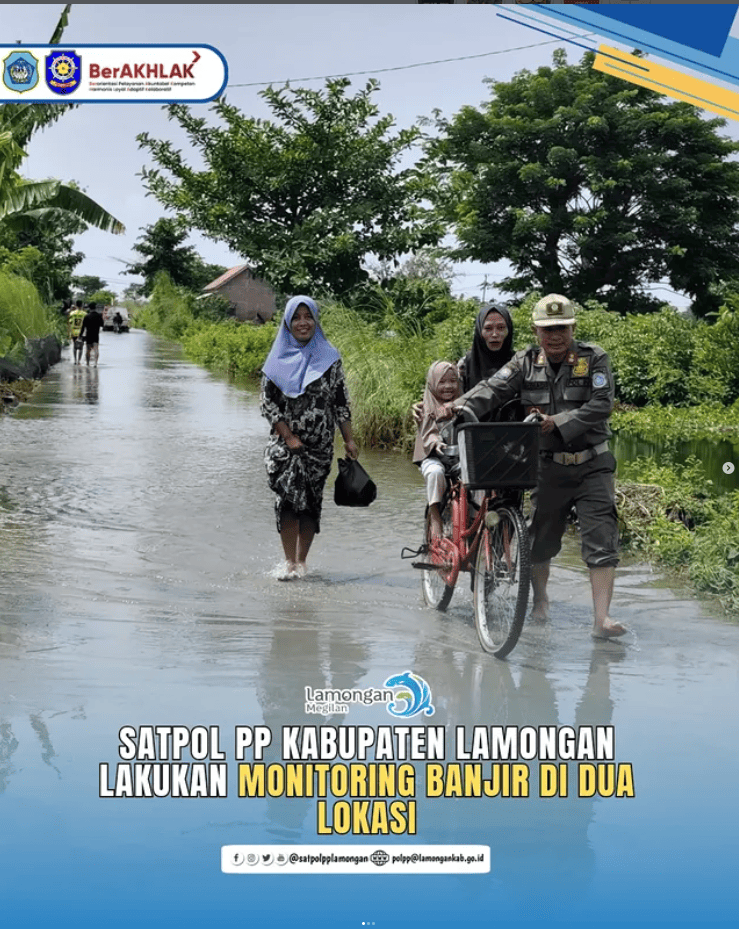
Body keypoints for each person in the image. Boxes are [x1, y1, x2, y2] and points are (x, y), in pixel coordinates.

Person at [448, 293, 626, 640]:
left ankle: (601, 619)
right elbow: (493, 388)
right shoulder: (524, 362)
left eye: (561, 328)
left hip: (594, 464)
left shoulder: (593, 359)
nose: (555, 336)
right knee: (541, 540)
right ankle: (540, 602)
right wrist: (455, 405)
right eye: (547, 330)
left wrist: (557, 421)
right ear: (535, 331)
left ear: (572, 327)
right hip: (546, 467)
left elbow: (602, 404)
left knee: (602, 539)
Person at [260, 295, 359, 581]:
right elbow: (268, 404)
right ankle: (288, 562)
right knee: (288, 500)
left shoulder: (330, 358)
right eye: (296, 317)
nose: (303, 323)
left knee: (311, 502)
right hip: (285, 445)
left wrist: (349, 440)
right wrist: (289, 436)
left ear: (316, 320)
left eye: (308, 316)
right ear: (288, 323)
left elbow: (341, 402)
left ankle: (302, 562)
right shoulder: (276, 360)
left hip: (319, 445)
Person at [413, 361, 462, 539]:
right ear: (433, 383)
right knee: (435, 473)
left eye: (452, 381)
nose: (448, 386)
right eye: (442, 382)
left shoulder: (463, 402)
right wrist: (436, 442)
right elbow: (428, 431)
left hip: (459, 458)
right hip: (433, 456)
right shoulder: (425, 406)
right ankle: (435, 515)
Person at [79, 302, 104, 367]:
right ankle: (95, 363)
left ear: (89, 308)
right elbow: (102, 324)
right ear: (95, 308)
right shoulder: (99, 315)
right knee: (96, 349)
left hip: (88, 334)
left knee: (88, 349)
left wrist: (80, 335)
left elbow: (83, 327)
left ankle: (88, 363)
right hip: (96, 334)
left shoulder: (87, 316)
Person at [67, 301, 86, 365]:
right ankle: (79, 360)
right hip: (82, 332)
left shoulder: (72, 313)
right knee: (81, 347)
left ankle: (75, 360)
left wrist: (68, 332)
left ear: (76, 305)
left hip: (74, 331)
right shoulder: (84, 314)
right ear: (82, 305)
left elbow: (70, 322)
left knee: (74, 346)